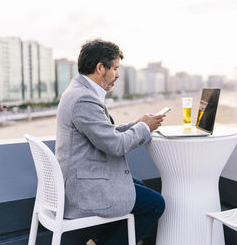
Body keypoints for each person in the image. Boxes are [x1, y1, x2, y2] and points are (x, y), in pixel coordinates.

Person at [55, 39, 165, 245]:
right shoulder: (83, 99)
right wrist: (144, 128)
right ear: (99, 68)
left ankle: (96, 242)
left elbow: (104, 133)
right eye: (115, 68)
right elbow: (116, 146)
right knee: (155, 204)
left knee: (135, 185)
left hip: (80, 178)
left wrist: (137, 124)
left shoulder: (78, 90)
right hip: (81, 191)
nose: (117, 74)